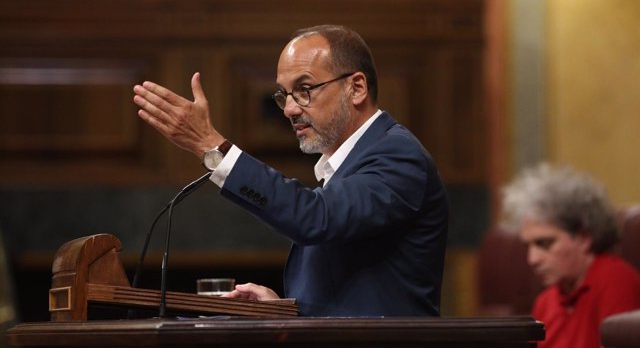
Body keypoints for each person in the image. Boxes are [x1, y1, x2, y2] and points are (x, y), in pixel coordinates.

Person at [133, 24, 449, 317]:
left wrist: (212, 147)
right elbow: (346, 294)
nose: (289, 109)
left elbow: (315, 219)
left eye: (305, 89)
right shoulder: (349, 165)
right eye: (284, 94)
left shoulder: (397, 156)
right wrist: (287, 310)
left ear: (356, 88)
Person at [501, 163, 640, 348]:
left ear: (584, 238)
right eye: (529, 245)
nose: (532, 259)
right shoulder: (546, 300)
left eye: (545, 244)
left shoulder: (615, 280)